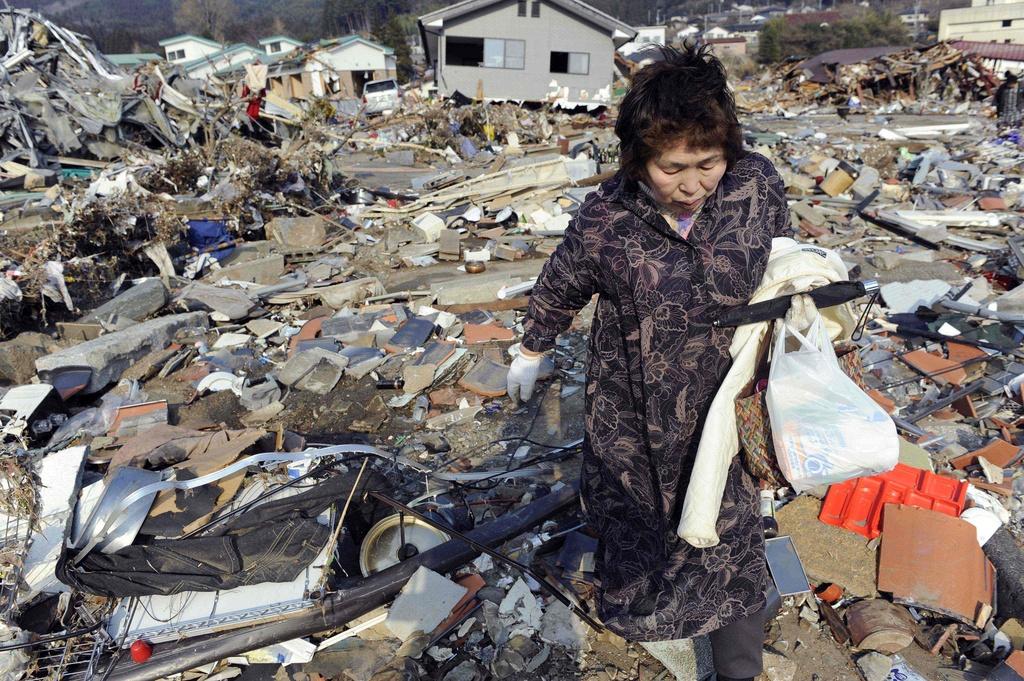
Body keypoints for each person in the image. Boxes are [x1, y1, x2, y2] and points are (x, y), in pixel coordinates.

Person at [506, 44, 791, 681]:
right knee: (642, 529)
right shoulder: (608, 216)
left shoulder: (755, 185)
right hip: (635, 413)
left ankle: (736, 669)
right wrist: (532, 349)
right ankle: (648, 627)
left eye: (708, 163)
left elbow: (780, 257)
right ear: (640, 156)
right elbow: (562, 282)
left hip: (727, 405)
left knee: (731, 537)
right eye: (674, 167)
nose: (693, 184)